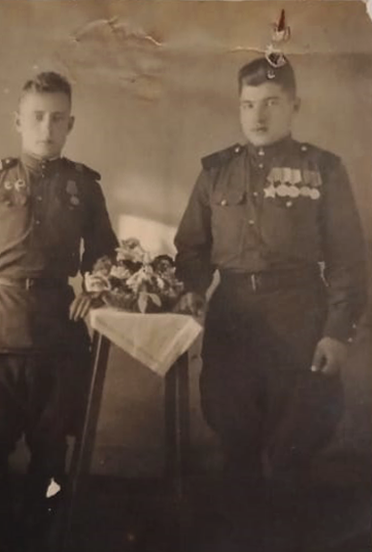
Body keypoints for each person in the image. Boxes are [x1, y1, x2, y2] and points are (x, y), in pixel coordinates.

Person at [174, 56, 367, 551]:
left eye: (271, 104)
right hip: (233, 320)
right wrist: (193, 288)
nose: (258, 116)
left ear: (294, 106)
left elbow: (348, 259)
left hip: (298, 318)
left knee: (291, 451)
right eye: (248, 104)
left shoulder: (322, 169)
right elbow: (191, 248)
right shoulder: (216, 172)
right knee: (234, 443)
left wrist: (336, 331)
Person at [0, 71, 118, 552]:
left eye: (57, 118)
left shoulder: (84, 187)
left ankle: (40, 539)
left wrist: (97, 289)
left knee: (51, 453)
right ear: (17, 120)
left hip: (57, 336)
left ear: (70, 124)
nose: (46, 128)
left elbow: (105, 253)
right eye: (37, 117)